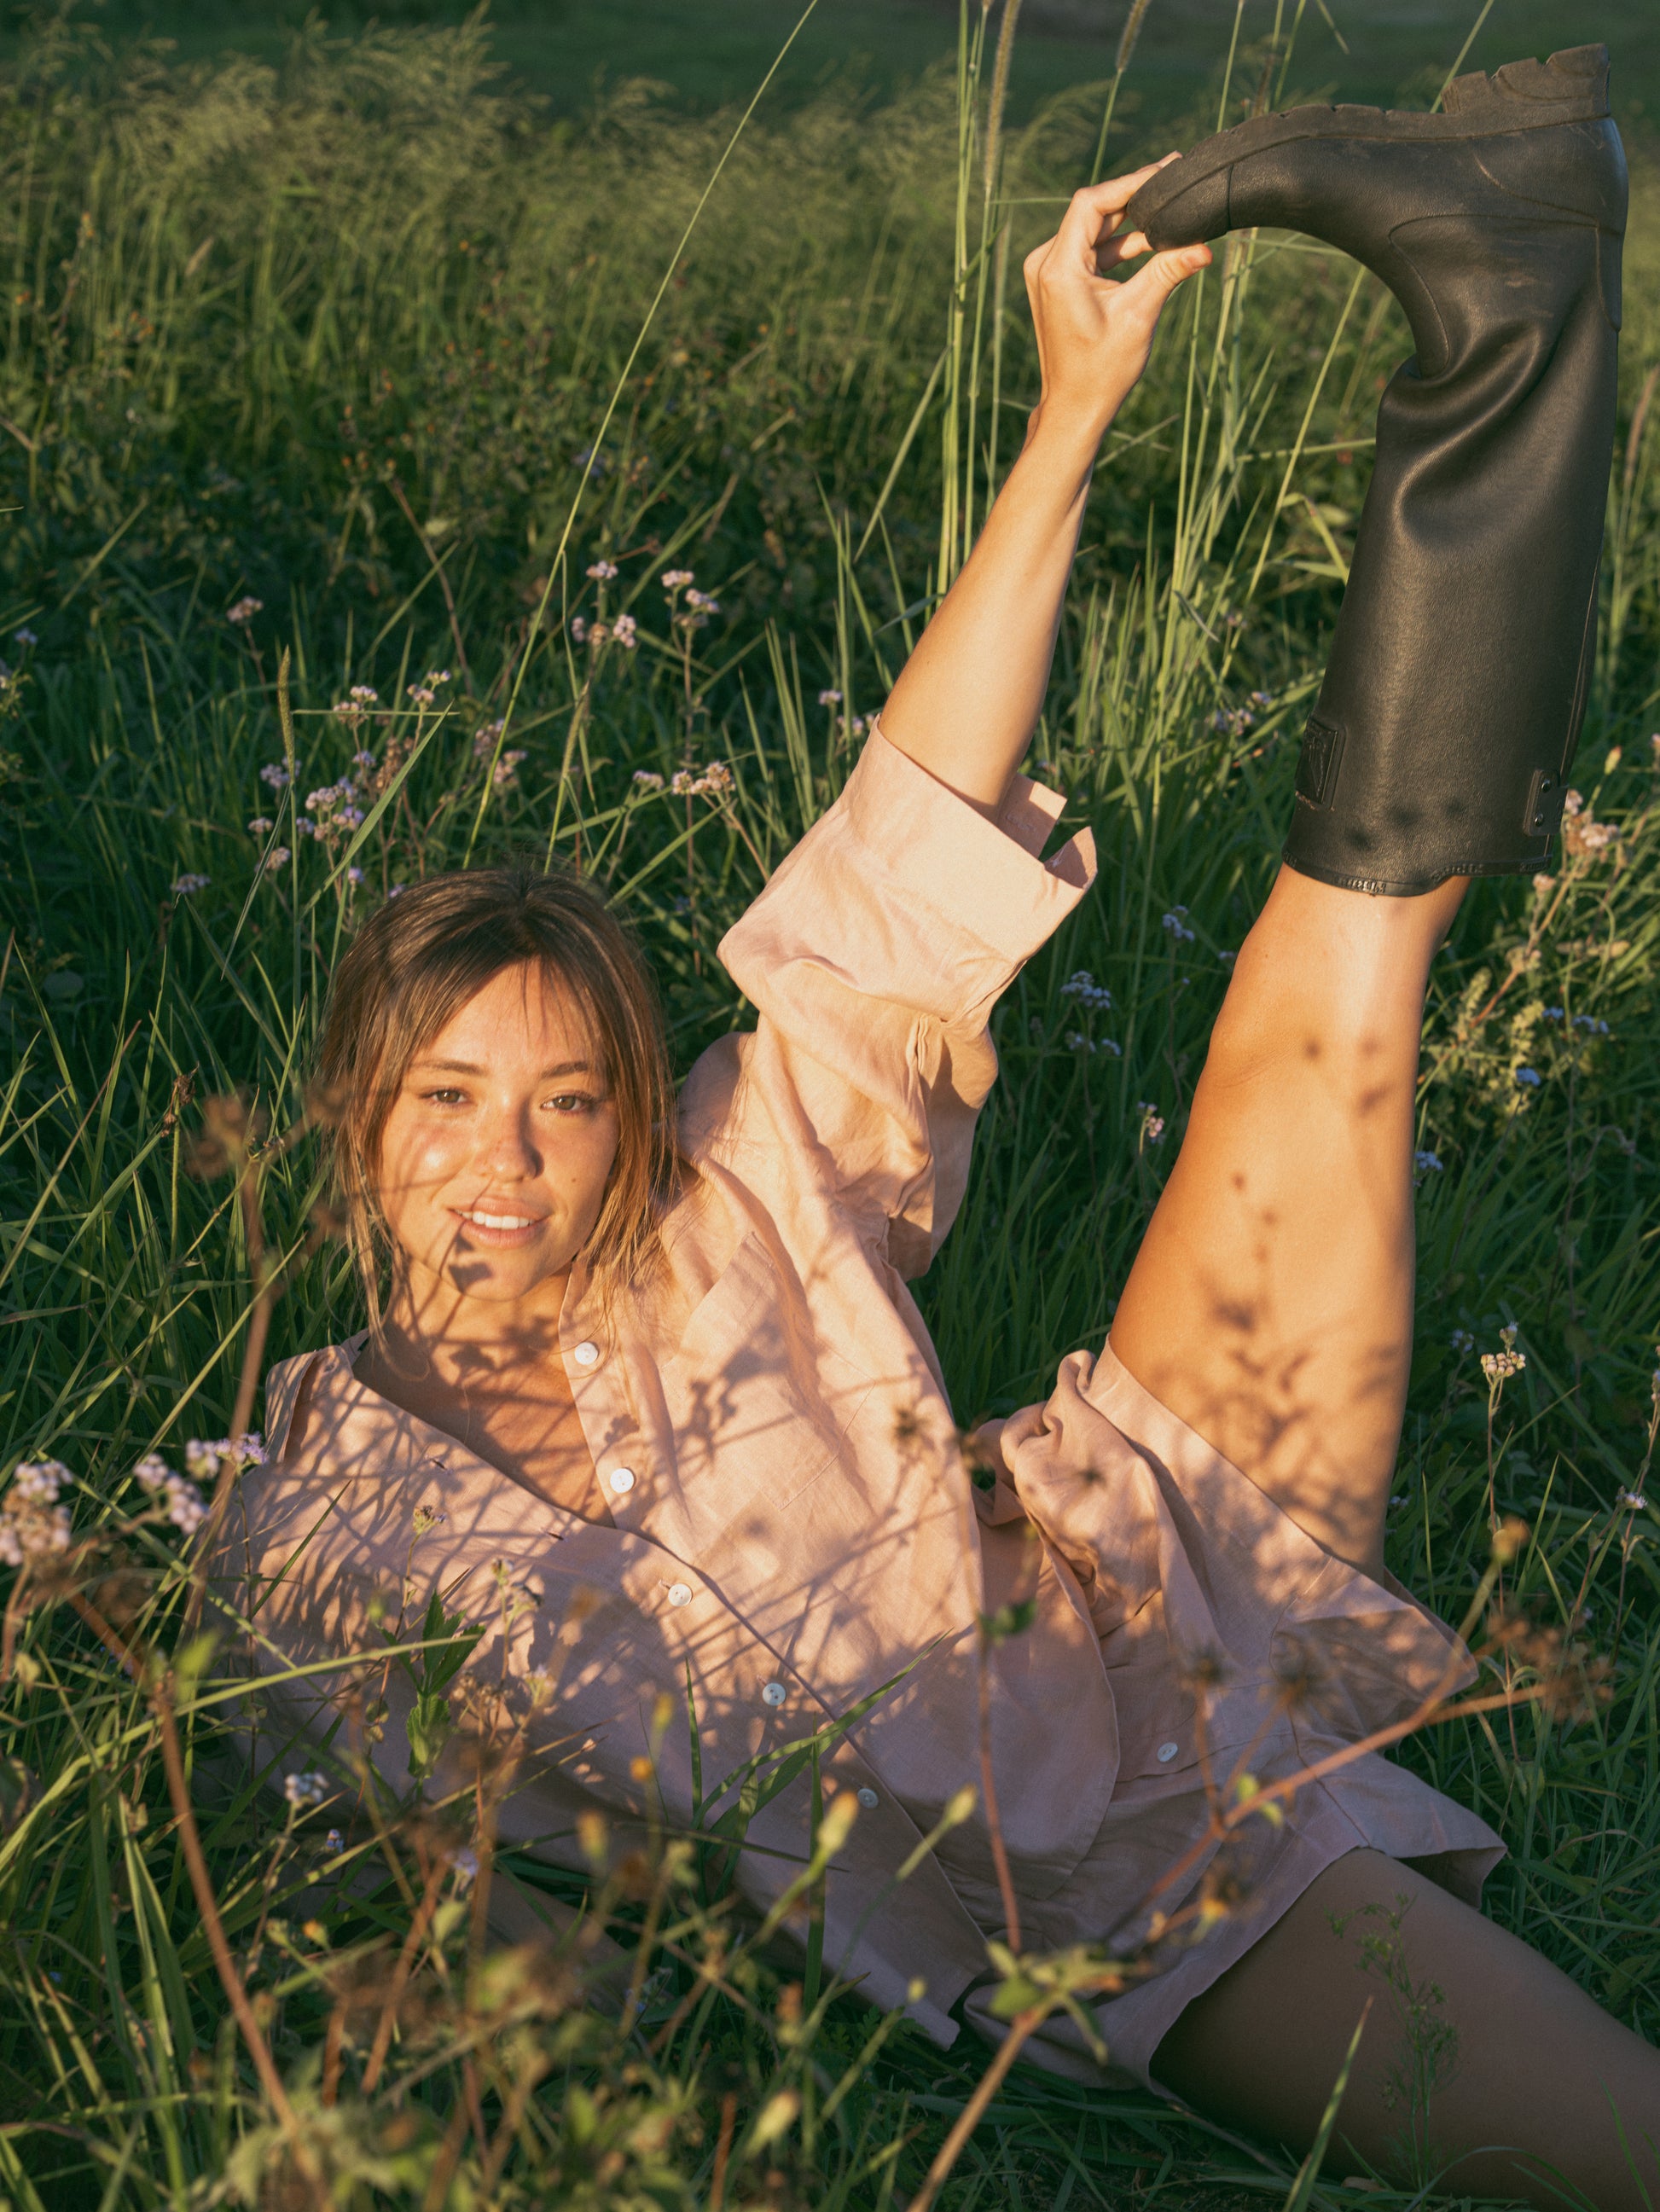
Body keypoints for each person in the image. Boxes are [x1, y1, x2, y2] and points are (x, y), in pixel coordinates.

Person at [224, 46, 1660, 2204]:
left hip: (1138, 1544)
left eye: (566, 1099)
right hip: (1106, 1900)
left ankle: (1511, 285)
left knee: (1335, 984)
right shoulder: (297, 1527)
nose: (503, 1164)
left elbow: (903, 845)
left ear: (630, 1118)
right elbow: (409, 1873)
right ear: (357, 1120)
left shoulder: (731, 1200)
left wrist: (1072, 407)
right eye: (445, 1100)